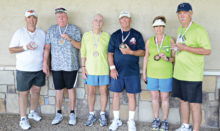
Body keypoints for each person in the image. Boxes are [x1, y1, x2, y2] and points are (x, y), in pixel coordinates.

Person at [171, 3, 211, 131]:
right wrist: (177, 49)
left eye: (185, 13)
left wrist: (185, 48)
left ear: (191, 13)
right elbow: (182, 47)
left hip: (192, 74)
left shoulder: (199, 29)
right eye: (180, 13)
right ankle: (185, 126)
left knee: (194, 103)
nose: (182, 15)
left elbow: (207, 51)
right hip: (179, 72)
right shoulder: (180, 29)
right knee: (183, 100)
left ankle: (196, 129)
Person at [43, 8, 81, 126]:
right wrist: (45, 63)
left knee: (70, 89)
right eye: (59, 17)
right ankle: (58, 113)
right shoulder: (52, 29)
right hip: (56, 66)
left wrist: (69, 39)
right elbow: (47, 48)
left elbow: (80, 46)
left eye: (63, 16)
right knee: (58, 89)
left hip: (71, 65)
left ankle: (72, 114)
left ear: (67, 17)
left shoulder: (74, 29)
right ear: (56, 18)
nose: (61, 19)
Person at [108, 10, 145, 131]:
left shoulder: (137, 34)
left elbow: (143, 52)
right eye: (122, 18)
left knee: (131, 95)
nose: (124, 20)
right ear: (119, 21)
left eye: (126, 18)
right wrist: (112, 68)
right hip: (117, 71)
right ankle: (116, 120)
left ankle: (131, 121)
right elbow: (110, 54)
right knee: (116, 95)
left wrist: (131, 52)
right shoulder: (115, 35)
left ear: (130, 20)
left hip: (132, 71)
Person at [9, 10, 45, 130]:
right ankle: (23, 118)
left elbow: (46, 50)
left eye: (34, 17)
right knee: (23, 93)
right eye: (29, 18)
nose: (31, 20)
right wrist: (25, 47)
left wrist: (46, 64)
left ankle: (32, 112)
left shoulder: (42, 33)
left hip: (39, 69)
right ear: (25, 19)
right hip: (23, 70)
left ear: (37, 20)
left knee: (36, 91)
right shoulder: (19, 32)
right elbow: (11, 49)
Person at [143, 16, 175, 131]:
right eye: (156, 26)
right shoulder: (149, 41)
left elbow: (174, 59)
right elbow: (146, 57)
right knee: (155, 97)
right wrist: (144, 72)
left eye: (160, 26)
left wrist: (167, 58)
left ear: (164, 27)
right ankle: (156, 119)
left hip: (166, 74)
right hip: (152, 74)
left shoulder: (170, 40)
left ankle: (165, 120)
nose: (158, 28)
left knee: (165, 97)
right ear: (153, 28)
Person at [81, 14, 110, 127]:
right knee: (91, 92)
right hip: (90, 69)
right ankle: (91, 114)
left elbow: (110, 53)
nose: (98, 22)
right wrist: (83, 68)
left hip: (103, 69)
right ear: (92, 22)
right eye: (96, 20)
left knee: (103, 92)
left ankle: (102, 114)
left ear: (102, 23)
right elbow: (83, 52)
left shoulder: (107, 36)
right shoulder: (86, 36)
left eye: (100, 21)